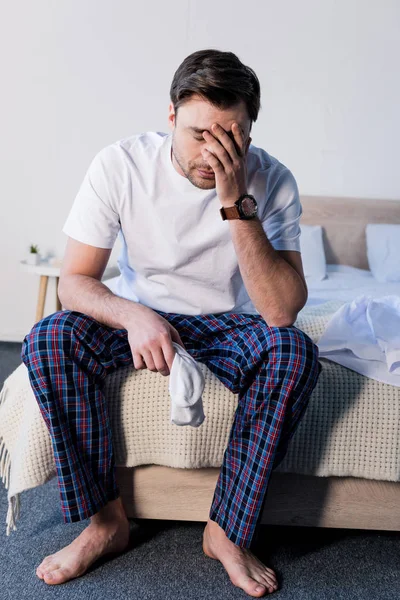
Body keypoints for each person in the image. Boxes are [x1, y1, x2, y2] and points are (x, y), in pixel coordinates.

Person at [21, 48, 322, 596]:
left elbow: (282, 311)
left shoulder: (272, 181)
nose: (214, 153)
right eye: (199, 134)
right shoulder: (120, 164)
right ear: (170, 119)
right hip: (143, 311)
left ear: (250, 131)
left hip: (230, 323)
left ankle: (226, 530)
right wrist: (134, 315)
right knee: (49, 337)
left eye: (232, 137)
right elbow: (75, 282)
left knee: (293, 351)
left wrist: (236, 203)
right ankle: (105, 523)